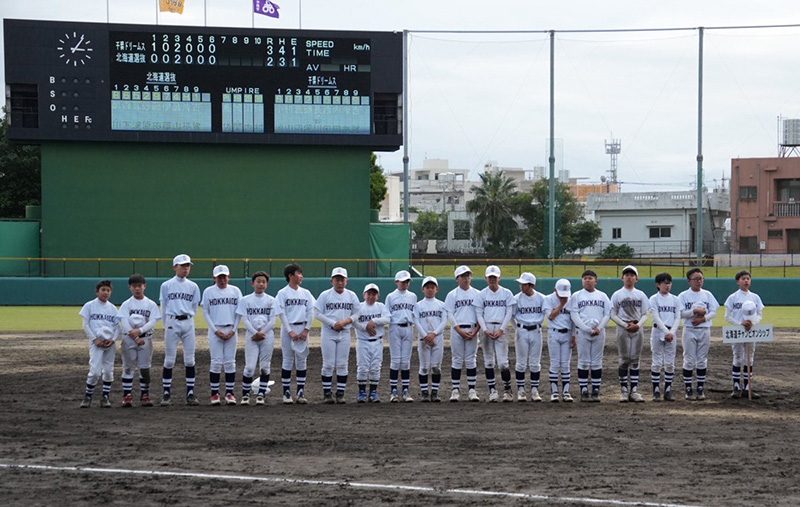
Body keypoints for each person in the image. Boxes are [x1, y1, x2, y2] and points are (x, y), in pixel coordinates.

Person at [159, 254, 202, 406]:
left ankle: (190, 392)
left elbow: (195, 307)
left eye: (188, 265)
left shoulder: (193, 286)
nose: (186, 268)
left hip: (188, 322)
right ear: (175, 267)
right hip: (172, 321)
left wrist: (188, 318)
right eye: (183, 265)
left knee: (190, 359)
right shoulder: (166, 285)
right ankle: (166, 393)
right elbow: (164, 307)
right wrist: (167, 325)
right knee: (169, 360)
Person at [314, 267, 360, 403]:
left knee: (342, 364)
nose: (339, 283)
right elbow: (317, 312)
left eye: (342, 280)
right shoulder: (325, 295)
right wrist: (333, 323)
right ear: (332, 281)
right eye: (337, 280)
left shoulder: (351, 295)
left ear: (346, 281)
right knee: (328, 364)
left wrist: (346, 321)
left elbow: (357, 313)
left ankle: (340, 393)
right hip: (329, 331)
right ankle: (327, 393)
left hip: (345, 332)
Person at [201, 265, 243, 406]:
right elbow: (205, 311)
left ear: (229, 277)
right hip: (216, 330)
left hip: (231, 329)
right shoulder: (208, 291)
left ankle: (230, 393)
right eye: (219, 277)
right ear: (214, 278)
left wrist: (234, 329)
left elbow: (239, 312)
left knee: (230, 362)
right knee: (216, 362)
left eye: (224, 276)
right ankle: (214, 394)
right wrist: (214, 330)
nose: (222, 279)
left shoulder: (235, 291)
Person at [118, 274, 161, 407]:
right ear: (130, 288)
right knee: (128, 366)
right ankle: (127, 395)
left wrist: (140, 331)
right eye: (134, 286)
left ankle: (145, 395)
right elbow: (124, 322)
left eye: (140, 286)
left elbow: (153, 321)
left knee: (145, 367)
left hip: (146, 338)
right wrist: (136, 337)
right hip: (129, 339)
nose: (137, 289)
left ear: (144, 286)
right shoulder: (127, 304)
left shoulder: (150, 304)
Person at [568, 270, 611, 402]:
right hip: (582, 332)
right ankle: (584, 390)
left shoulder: (602, 296)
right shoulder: (576, 296)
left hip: (599, 332)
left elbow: (607, 314)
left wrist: (599, 328)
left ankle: (596, 390)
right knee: (584, 361)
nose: (587, 280)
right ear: (582, 281)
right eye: (585, 278)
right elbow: (574, 315)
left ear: (596, 281)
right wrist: (586, 328)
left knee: (597, 361)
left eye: (590, 278)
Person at [677, 268, 720, 401]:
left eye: (701, 278)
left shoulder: (707, 294)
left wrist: (703, 319)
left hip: (704, 329)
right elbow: (680, 313)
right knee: (689, 359)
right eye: (696, 279)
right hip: (689, 329)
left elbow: (714, 311)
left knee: (702, 359)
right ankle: (688, 388)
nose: (699, 281)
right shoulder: (683, 296)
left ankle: (700, 387)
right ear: (689, 281)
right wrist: (693, 311)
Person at [236, 271, 278, 405]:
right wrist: (255, 333)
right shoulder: (245, 300)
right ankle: (245, 394)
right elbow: (245, 320)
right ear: (253, 283)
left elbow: (272, 321)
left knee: (265, 367)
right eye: (258, 281)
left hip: (267, 336)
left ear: (267, 284)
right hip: (251, 336)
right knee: (249, 367)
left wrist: (261, 333)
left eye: (263, 282)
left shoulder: (271, 300)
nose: (261, 284)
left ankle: (261, 394)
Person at [610, 265, 650, 403]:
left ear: (636, 278)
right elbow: (613, 314)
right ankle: (624, 391)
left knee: (635, 360)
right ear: (622, 278)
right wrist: (625, 325)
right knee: (624, 360)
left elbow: (645, 314)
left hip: (637, 328)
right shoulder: (617, 294)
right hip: (623, 328)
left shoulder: (641, 294)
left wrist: (637, 325)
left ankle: (634, 391)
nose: (629, 277)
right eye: (626, 275)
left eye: (632, 275)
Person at [276, 263, 315, 404]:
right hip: (289, 329)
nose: (301, 276)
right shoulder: (282, 293)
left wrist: (306, 330)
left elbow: (311, 311)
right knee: (287, 360)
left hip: (303, 328)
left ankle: (300, 392)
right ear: (290, 276)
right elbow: (282, 314)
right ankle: (286, 393)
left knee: (302, 360)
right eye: (298, 273)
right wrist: (289, 331)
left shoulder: (306, 293)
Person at [476, 265, 516, 402]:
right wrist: (485, 329)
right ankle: (492, 391)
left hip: (500, 328)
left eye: (495, 277)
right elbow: (479, 314)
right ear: (486, 278)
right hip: (486, 328)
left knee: (503, 363)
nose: (492, 279)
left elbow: (509, 313)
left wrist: (502, 329)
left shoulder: (506, 293)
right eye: (490, 277)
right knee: (489, 362)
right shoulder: (482, 294)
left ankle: (507, 390)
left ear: (500, 277)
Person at [79, 280, 120, 408]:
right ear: (97, 291)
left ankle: (105, 397)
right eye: (103, 290)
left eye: (108, 290)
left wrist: (113, 339)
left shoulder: (113, 308)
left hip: (110, 343)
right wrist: (94, 339)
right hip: (96, 343)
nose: (106, 293)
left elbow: (118, 327)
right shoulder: (89, 306)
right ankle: (88, 396)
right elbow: (85, 325)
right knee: (95, 372)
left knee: (108, 371)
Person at [724, 270, 765, 399]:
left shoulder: (755, 297)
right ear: (738, 281)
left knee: (749, 358)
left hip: (751, 331)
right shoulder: (733, 297)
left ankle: (748, 387)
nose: (746, 281)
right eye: (743, 278)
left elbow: (760, 314)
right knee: (738, 357)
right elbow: (727, 316)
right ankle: (736, 386)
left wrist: (753, 323)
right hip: (737, 330)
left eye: (748, 278)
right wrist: (740, 324)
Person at [444, 265, 482, 402]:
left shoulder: (477, 294)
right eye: (463, 276)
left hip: (473, 329)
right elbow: (449, 313)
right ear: (457, 278)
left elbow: (480, 314)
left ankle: (472, 390)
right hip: (457, 330)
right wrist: (458, 330)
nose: (466, 278)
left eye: (468, 275)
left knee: (471, 359)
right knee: (457, 359)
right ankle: (455, 389)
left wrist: (476, 329)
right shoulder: (452, 294)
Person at [353, 283, 391, 403]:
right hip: (363, 341)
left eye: (374, 294)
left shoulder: (380, 306)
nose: (371, 296)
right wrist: (366, 327)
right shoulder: (359, 307)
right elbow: (354, 322)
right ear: (364, 294)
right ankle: (362, 392)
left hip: (377, 341)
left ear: (378, 296)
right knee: (363, 367)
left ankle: (373, 392)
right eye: (369, 294)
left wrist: (374, 321)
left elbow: (388, 318)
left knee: (375, 367)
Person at [512, 272, 546, 402]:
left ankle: (534, 390)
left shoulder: (542, 298)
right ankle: (521, 390)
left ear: (532, 285)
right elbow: (511, 315)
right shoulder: (516, 298)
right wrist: (517, 328)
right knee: (521, 363)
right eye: (521, 284)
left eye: (524, 284)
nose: (521, 287)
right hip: (522, 330)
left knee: (535, 363)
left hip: (536, 331)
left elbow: (545, 313)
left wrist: (539, 324)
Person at [384, 270, 417, 402]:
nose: (405, 284)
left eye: (407, 281)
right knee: (396, 360)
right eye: (403, 281)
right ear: (397, 282)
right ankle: (393, 391)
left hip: (408, 327)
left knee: (405, 361)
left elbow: (414, 314)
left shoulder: (413, 296)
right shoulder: (391, 297)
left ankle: (405, 390)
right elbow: (387, 315)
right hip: (395, 327)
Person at [413, 276, 447, 402]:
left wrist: (434, 334)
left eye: (432, 287)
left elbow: (444, 321)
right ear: (423, 289)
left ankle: (435, 392)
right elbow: (416, 321)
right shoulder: (418, 305)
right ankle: (424, 393)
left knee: (436, 366)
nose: (430, 289)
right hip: (424, 339)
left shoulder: (441, 305)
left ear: (437, 289)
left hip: (437, 338)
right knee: (424, 367)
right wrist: (426, 336)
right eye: (427, 287)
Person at [648, 272, 681, 402]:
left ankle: (668, 389)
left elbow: (678, 317)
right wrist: (666, 332)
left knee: (670, 362)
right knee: (656, 361)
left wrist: (671, 332)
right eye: (664, 283)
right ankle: (656, 390)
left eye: (669, 283)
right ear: (658, 284)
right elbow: (655, 316)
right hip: (658, 330)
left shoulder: (675, 299)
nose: (667, 286)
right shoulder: (654, 299)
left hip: (671, 332)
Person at [543, 278, 575, 402]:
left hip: (567, 333)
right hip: (554, 333)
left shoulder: (571, 301)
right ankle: (554, 392)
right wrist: (562, 303)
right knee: (555, 363)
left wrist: (574, 336)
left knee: (566, 364)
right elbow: (550, 316)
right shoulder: (548, 299)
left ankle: (566, 392)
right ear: (555, 290)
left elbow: (573, 320)